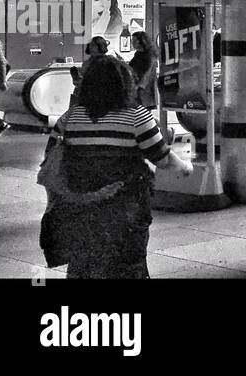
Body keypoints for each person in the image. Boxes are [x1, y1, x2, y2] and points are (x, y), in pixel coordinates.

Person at [45, 54, 192, 278]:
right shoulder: (137, 117)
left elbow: (51, 158)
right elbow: (162, 158)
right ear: (125, 83)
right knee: (129, 263)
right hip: (126, 204)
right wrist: (185, 168)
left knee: (83, 261)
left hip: (80, 203)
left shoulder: (70, 117)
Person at [127, 31, 158, 111]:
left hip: (144, 88)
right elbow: (131, 66)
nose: (132, 43)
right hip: (138, 86)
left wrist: (139, 86)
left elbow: (147, 73)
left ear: (141, 42)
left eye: (134, 41)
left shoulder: (149, 55)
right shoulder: (138, 53)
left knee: (143, 110)